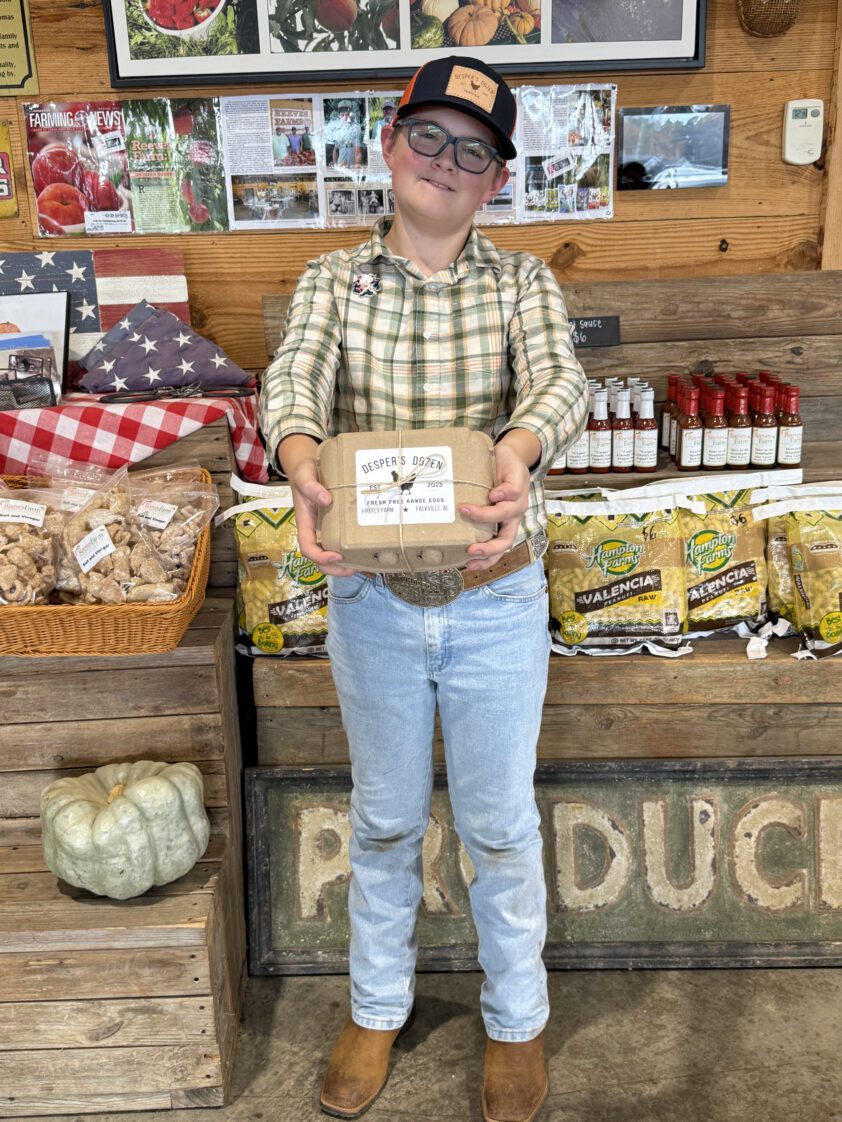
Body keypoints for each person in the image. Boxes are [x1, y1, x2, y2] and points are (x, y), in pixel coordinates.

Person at [259, 55, 587, 1122]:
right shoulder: (330, 281)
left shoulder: (521, 282)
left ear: (494, 181)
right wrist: (303, 463)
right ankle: (374, 1005)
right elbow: (295, 375)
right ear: (387, 144)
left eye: (475, 151)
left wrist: (520, 450)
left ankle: (516, 1021)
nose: (447, 163)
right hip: (374, 604)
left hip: (496, 598)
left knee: (497, 825)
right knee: (386, 819)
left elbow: (556, 381)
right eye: (430, 137)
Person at [325, 100, 363, 167]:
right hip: (341, 166)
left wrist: (357, 164)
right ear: (339, 115)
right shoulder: (337, 130)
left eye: (347, 114)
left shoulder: (356, 128)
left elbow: (358, 151)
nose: (345, 118)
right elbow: (335, 150)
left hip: (352, 166)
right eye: (342, 115)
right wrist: (335, 164)